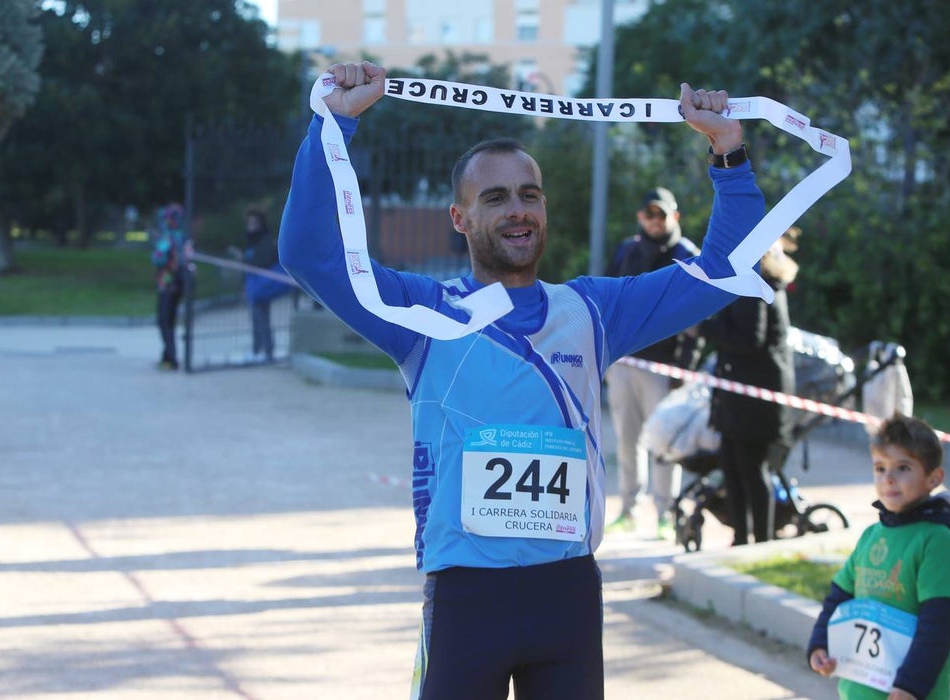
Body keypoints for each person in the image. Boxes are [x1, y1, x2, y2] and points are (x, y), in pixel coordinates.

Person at [278, 60, 765, 700]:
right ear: (460, 218)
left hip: (566, 593)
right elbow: (310, 253)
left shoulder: (592, 312)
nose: (517, 211)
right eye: (496, 197)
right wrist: (333, 126)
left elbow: (724, 270)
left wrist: (728, 154)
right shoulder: (424, 316)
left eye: (529, 194)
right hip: (466, 598)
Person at [806, 413, 950, 700]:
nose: (889, 479)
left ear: (934, 478)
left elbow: (939, 625)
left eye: (903, 468)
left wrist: (910, 685)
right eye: (880, 468)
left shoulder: (939, 542)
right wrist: (821, 642)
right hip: (857, 690)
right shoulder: (872, 535)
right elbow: (839, 596)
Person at [604, 186, 701, 540]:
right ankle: (629, 508)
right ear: (640, 217)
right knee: (627, 440)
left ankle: (666, 512)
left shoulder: (687, 254)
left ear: (674, 216)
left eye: (662, 214)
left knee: (664, 441)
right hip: (625, 362)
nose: (655, 221)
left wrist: (685, 369)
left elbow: (698, 316)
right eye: (649, 214)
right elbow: (609, 300)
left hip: (666, 367)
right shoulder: (627, 250)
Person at [698, 237, 798, 545]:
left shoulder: (756, 288)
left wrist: (705, 327)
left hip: (756, 399)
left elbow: (749, 338)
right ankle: (741, 538)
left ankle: (762, 541)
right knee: (732, 467)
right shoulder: (754, 284)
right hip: (740, 396)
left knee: (752, 471)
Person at [151, 203, 191, 370]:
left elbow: (158, 259)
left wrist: (157, 249)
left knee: (164, 320)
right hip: (178, 283)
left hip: (168, 282)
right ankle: (168, 354)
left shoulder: (168, 238)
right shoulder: (182, 237)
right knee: (169, 319)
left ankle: (171, 357)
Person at [238, 208, 279, 362]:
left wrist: (248, 261)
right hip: (253, 285)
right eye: (249, 222)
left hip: (262, 285)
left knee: (262, 319)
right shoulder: (250, 241)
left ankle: (266, 350)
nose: (251, 226)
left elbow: (263, 261)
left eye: (254, 222)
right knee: (256, 319)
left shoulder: (265, 241)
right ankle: (258, 349)